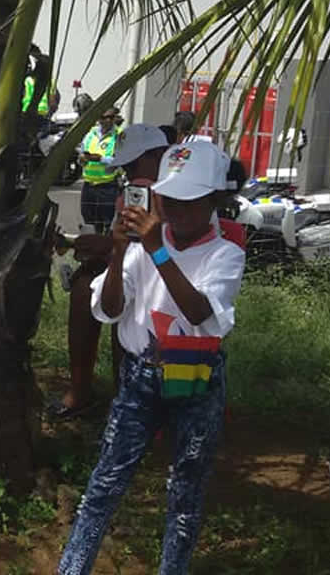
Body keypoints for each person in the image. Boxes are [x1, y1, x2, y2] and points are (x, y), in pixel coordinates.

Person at [58, 141, 245, 575]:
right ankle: (71, 568)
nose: (176, 210)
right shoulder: (141, 248)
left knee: (185, 492)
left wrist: (156, 249)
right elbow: (108, 308)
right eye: (168, 198)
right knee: (104, 484)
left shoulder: (224, 253)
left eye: (189, 200)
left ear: (214, 201)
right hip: (141, 375)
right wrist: (121, 249)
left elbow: (201, 313)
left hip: (196, 379)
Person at [50, 123, 171, 419]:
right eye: (127, 166)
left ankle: (125, 397)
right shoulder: (134, 192)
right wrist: (103, 249)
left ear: (158, 156)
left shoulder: (173, 192)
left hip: (167, 275)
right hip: (134, 267)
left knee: (122, 305)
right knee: (84, 288)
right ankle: (81, 391)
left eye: (133, 164)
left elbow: (161, 244)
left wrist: (106, 247)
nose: (129, 173)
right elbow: (128, 242)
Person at [79, 107, 121, 233]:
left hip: (107, 186)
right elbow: (81, 153)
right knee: (89, 222)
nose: (106, 120)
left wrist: (100, 158)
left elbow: (119, 160)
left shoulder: (119, 135)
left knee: (107, 223)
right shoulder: (90, 134)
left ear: (114, 118)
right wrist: (82, 159)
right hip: (89, 185)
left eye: (110, 117)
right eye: (103, 117)